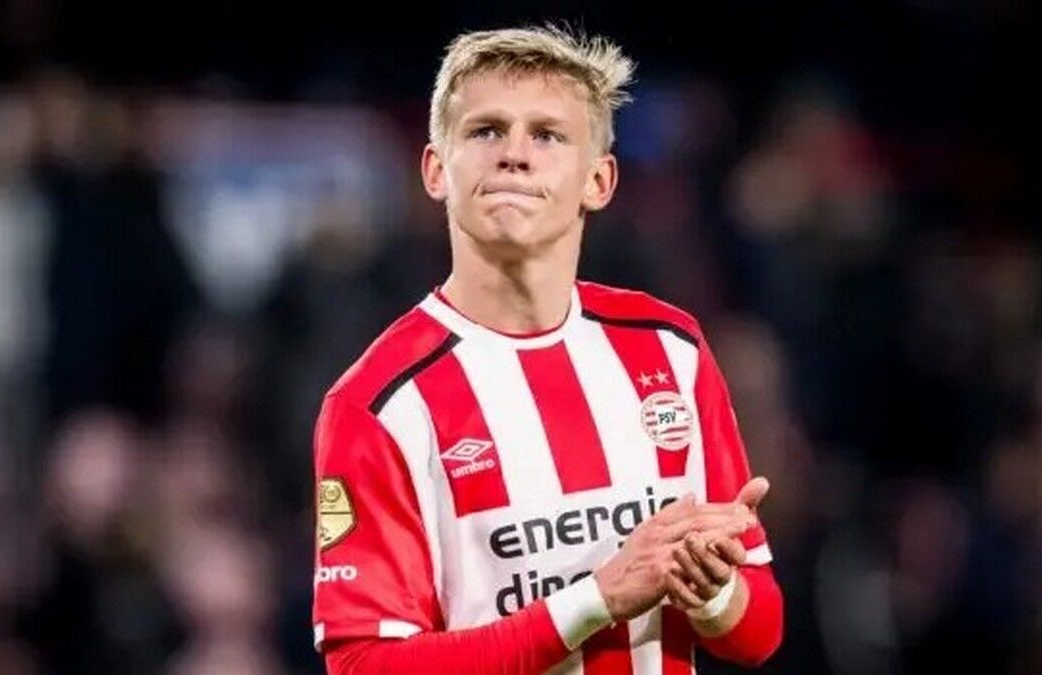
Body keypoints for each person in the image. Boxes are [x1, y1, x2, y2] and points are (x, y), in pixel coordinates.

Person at [311, 25, 783, 674]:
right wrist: (596, 598)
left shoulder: (669, 348)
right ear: (436, 171)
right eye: (486, 131)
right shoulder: (379, 403)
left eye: (547, 135)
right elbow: (366, 664)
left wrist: (713, 589)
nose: (514, 154)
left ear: (599, 180)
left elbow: (759, 632)